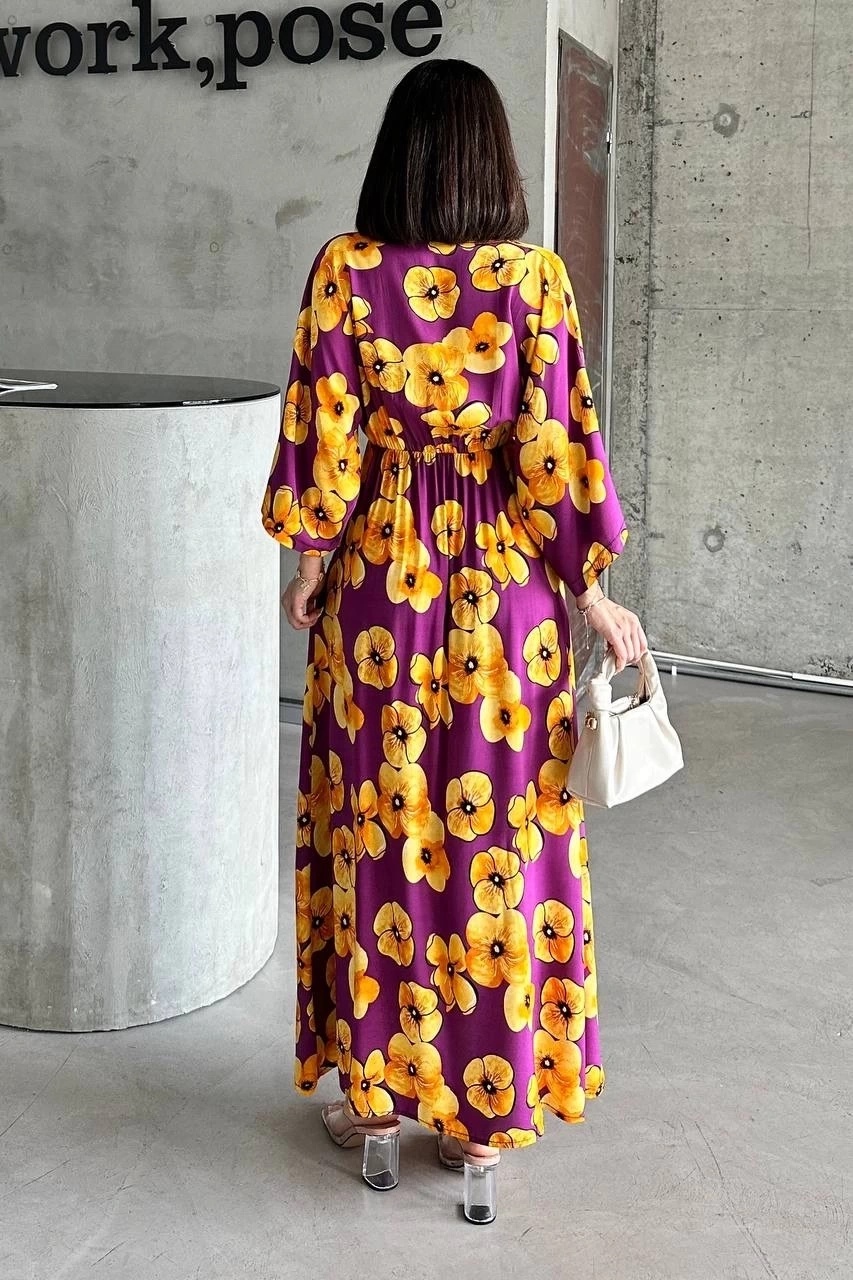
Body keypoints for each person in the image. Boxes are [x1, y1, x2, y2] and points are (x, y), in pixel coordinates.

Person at [261, 57, 647, 1225]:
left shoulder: (345, 269)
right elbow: (555, 453)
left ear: (399, 153)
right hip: (505, 602)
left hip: (378, 591)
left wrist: (312, 565)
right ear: (495, 159)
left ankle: (375, 1104)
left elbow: (322, 435)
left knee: (376, 833)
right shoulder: (532, 280)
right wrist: (592, 592)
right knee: (500, 840)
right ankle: (478, 1119)